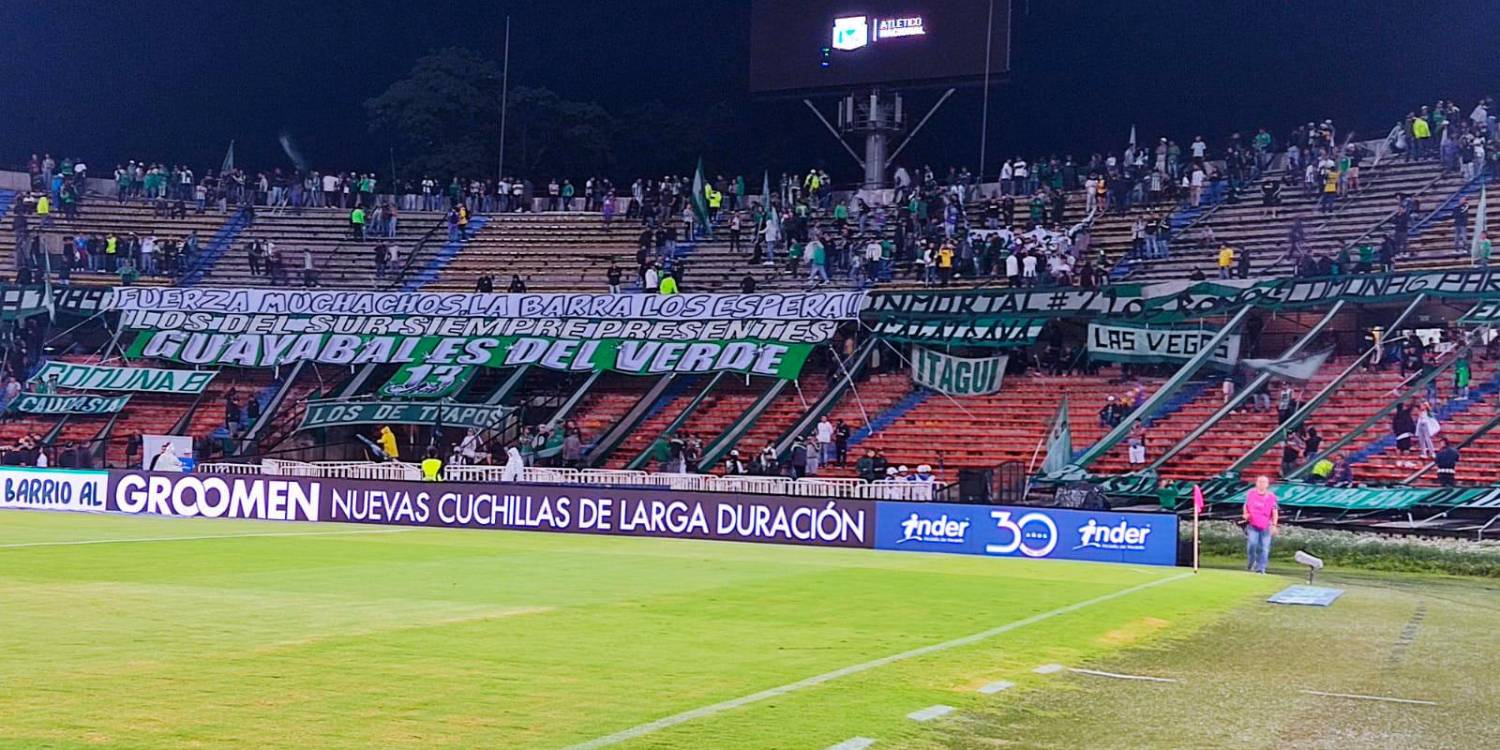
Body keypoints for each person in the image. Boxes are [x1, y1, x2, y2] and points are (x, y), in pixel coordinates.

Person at [1242, 476, 1278, 574]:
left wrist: (1274, 525)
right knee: (1252, 545)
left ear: (1267, 484)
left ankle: (1261, 568)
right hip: (1253, 524)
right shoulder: (1251, 494)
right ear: (1256, 483)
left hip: (1266, 525)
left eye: (1264, 482)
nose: (1261, 484)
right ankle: (1251, 563)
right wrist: (1246, 514)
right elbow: (1246, 505)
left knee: (1264, 548)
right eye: (1260, 482)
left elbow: (1274, 511)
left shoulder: (1271, 496)